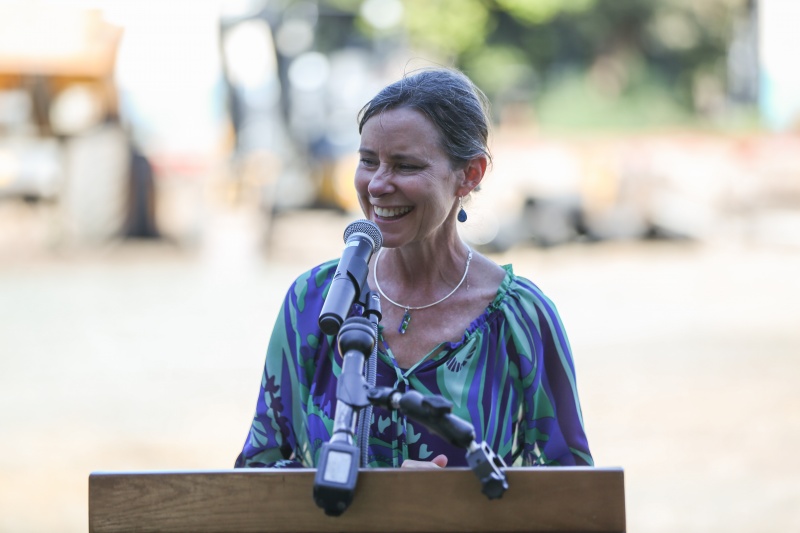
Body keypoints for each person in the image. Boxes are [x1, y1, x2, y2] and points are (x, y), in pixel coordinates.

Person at [235, 67, 592, 470]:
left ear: (469, 175)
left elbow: (572, 490)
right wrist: (382, 503)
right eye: (368, 161)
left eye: (405, 166)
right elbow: (256, 473)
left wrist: (444, 506)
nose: (377, 185)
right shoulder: (314, 300)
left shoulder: (520, 318)